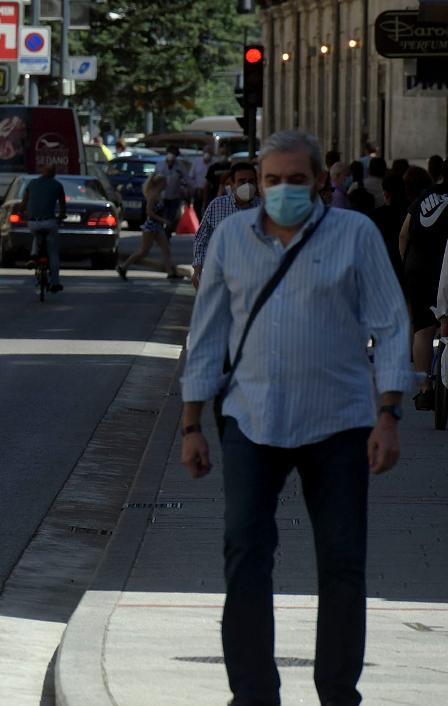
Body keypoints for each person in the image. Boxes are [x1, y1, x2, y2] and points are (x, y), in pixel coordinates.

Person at [181, 130, 406, 706]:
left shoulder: (355, 235)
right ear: (257, 183)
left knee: (342, 562)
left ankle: (337, 694)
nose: (283, 190)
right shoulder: (232, 237)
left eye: (296, 180)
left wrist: (388, 414)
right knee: (245, 556)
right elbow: (206, 336)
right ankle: (254, 694)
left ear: (321, 183)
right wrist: (191, 425)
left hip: (339, 423)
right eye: (272, 180)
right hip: (251, 421)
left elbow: (391, 322)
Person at [403, 172, 448, 410]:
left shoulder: (425, 196)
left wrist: (407, 264)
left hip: (419, 268)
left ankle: (424, 389)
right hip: (446, 268)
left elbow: (403, 234)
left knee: (422, 329)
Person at [192, 161, 258, 289]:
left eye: (251, 181)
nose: (247, 185)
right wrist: (198, 269)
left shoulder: (264, 209)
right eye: (242, 181)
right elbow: (202, 238)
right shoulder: (217, 206)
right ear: (232, 185)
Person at [18, 163, 67, 292]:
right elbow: (62, 205)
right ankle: (55, 282)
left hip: (33, 222)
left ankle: (34, 256)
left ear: (42, 172)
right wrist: (61, 216)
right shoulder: (57, 185)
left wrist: (21, 213)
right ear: (54, 173)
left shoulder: (32, 183)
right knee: (53, 253)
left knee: (36, 234)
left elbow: (24, 202)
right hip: (49, 222)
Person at [117, 175, 175, 281]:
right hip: (151, 226)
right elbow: (149, 212)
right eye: (165, 182)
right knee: (144, 251)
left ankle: (170, 272)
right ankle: (123, 267)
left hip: (158, 226)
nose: (166, 184)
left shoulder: (159, 195)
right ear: (160, 183)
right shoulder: (152, 195)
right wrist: (163, 220)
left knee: (166, 249)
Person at [370, 173, 407, 284]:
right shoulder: (410, 213)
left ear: (385, 194)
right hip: (404, 266)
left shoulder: (376, 215)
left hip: (383, 267)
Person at [155, 146, 189, 235]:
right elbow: (154, 179)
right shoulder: (160, 165)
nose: (171, 156)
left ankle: (167, 234)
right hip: (162, 196)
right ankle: (160, 233)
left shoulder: (180, 166)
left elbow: (186, 179)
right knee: (161, 216)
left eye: (174, 154)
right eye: (170, 153)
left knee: (172, 217)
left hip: (175, 196)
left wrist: (184, 188)